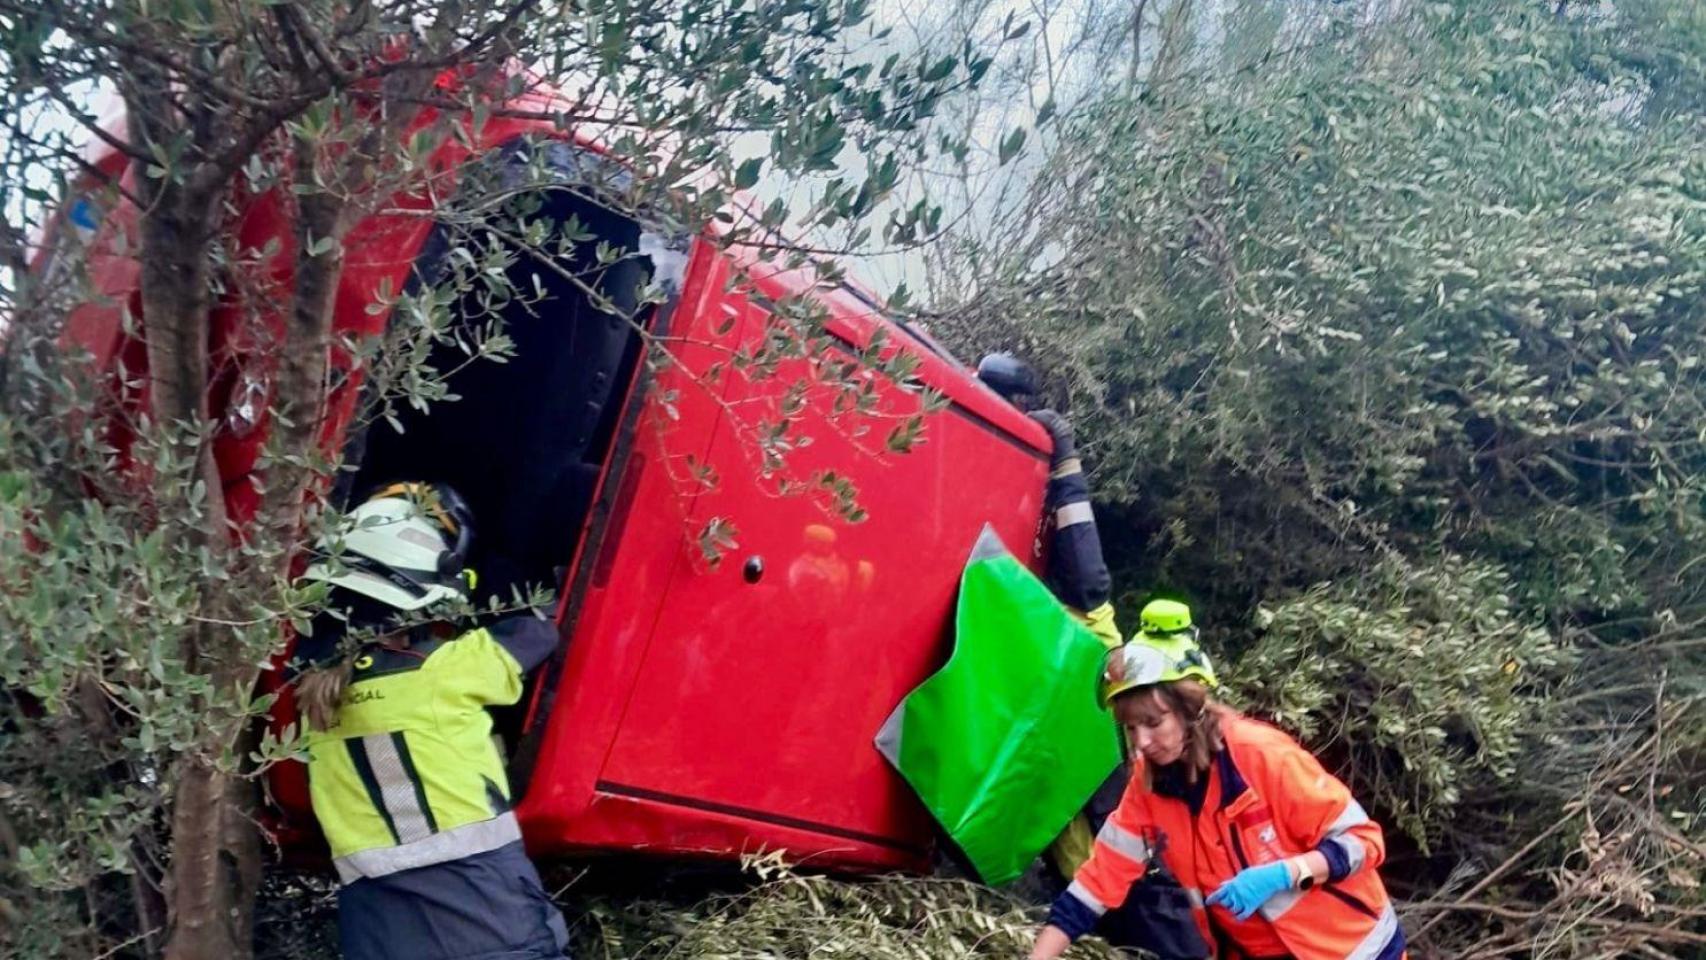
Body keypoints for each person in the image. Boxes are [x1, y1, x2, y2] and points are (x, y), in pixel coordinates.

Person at [1028, 605, 1407, 960]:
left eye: (1154, 723)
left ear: (1189, 709)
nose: (1141, 742)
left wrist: (1286, 873)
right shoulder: (1148, 790)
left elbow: (1362, 841)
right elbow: (1097, 882)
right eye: (1131, 728)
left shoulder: (1260, 756)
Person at [294, 482, 571, 960]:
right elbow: (537, 629)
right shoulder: (442, 673)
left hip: (377, 928)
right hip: (481, 912)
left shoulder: (314, 702)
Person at [1029, 409, 1211, 960]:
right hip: (1096, 879)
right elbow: (1088, 577)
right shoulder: (1104, 664)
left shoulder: (1101, 659)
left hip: (1125, 886)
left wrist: (1062, 455)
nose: (1143, 735)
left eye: (1152, 723)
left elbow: (1086, 572)